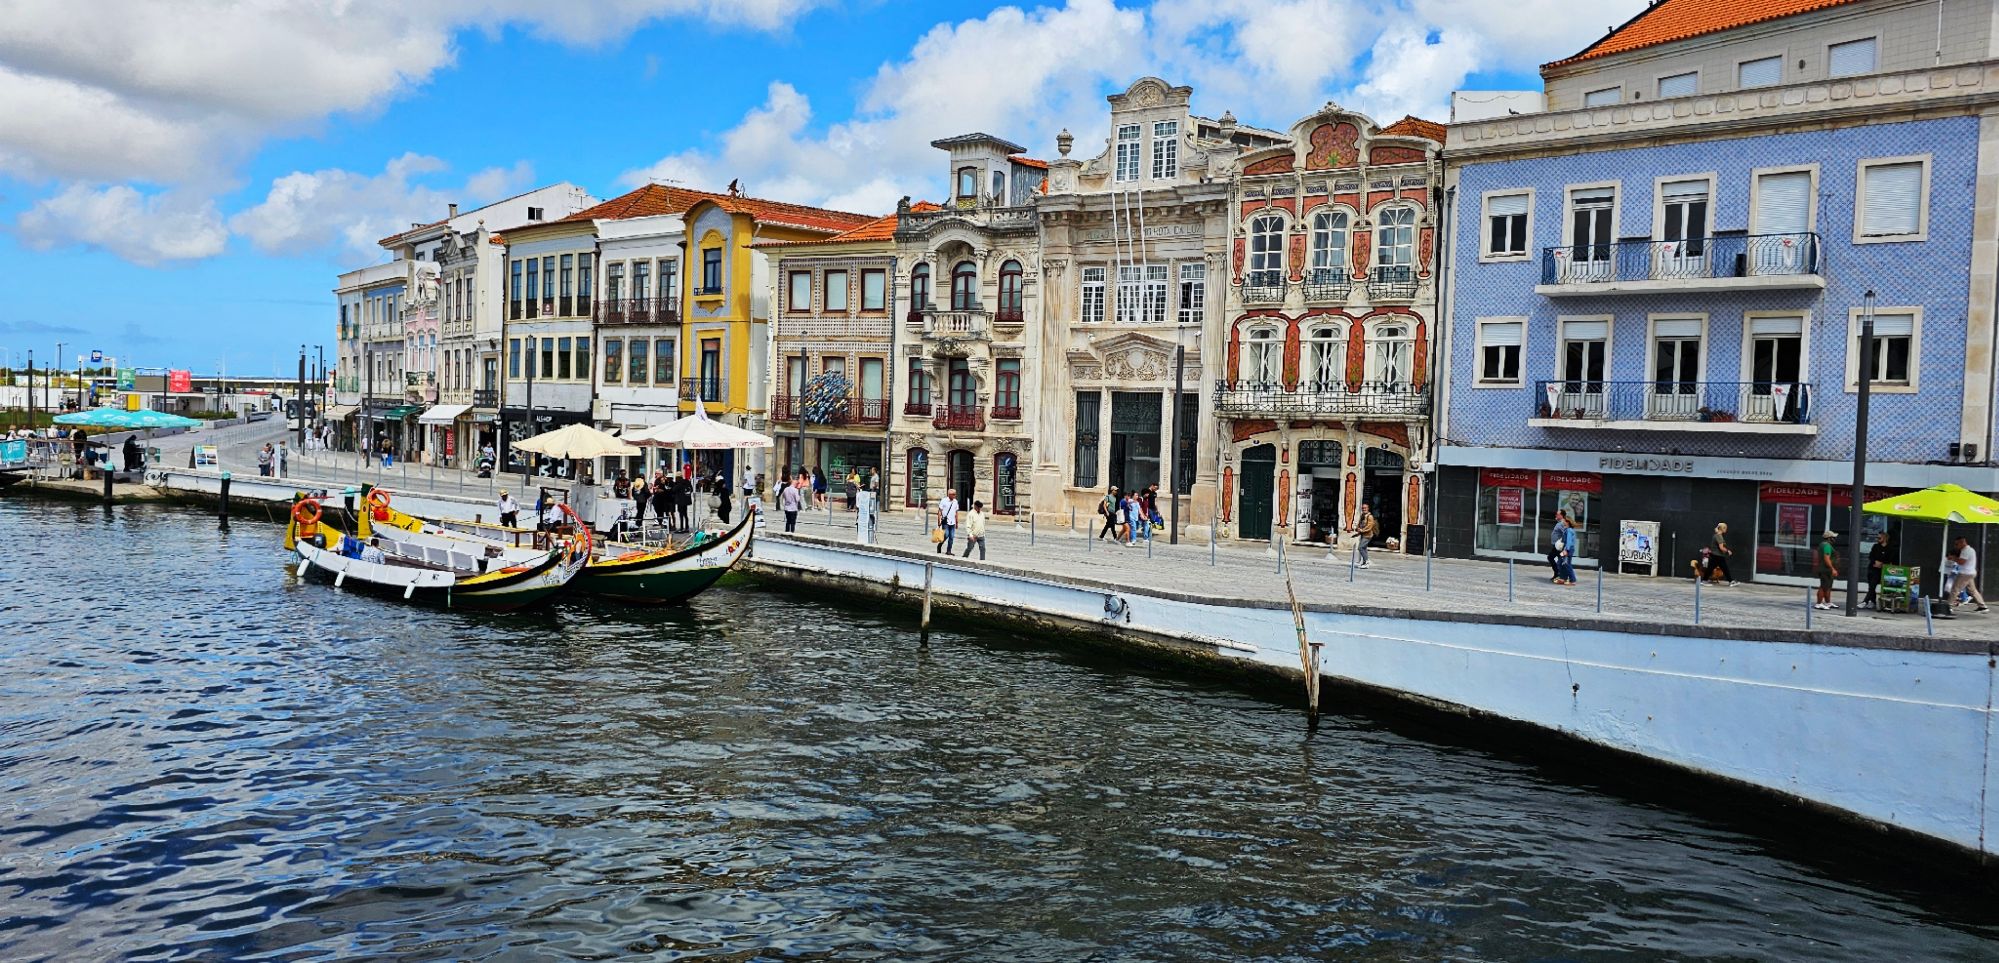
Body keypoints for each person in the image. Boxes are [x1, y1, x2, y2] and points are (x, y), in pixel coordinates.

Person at [1949, 535, 1989, 612]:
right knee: (1973, 590)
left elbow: (1961, 562)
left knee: (1955, 589)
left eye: (1957, 544)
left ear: (1962, 542)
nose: (1956, 546)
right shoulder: (1971, 550)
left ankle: (1948, 606)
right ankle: (1983, 606)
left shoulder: (1965, 551)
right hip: (1970, 573)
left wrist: (1954, 558)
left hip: (1965, 573)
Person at [1864, 530, 1898, 609]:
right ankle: (1872, 601)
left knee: (1876, 586)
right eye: (1877, 538)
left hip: (1882, 570)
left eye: (1879, 538)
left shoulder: (1890, 548)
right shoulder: (1875, 546)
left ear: (1885, 538)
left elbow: (1891, 559)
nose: (1877, 539)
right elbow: (1871, 556)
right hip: (1873, 568)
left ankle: (1865, 601)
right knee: (1871, 586)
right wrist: (1875, 561)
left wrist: (1882, 564)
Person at [1813, 529, 1840, 609]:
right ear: (1829, 538)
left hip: (1826, 569)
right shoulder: (1827, 546)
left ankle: (1828, 602)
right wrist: (1832, 569)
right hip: (1825, 569)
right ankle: (1819, 603)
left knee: (1828, 586)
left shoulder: (1823, 544)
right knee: (1823, 586)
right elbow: (1826, 558)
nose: (1834, 539)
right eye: (1833, 537)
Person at [1553, 512, 1578, 585]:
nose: (1563, 522)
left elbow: (1569, 541)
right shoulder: (1567, 530)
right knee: (1561, 563)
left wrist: (1566, 550)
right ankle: (1562, 578)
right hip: (1566, 548)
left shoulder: (1569, 530)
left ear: (1567, 522)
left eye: (1564, 521)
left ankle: (1572, 580)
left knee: (1566, 564)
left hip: (1568, 549)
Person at [936, 488, 960, 554]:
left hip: (953, 522)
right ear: (949, 494)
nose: (954, 496)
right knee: (946, 535)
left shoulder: (955, 501)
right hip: (945, 521)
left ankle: (949, 551)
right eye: (953, 494)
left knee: (951, 537)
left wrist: (957, 522)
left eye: (955, 494)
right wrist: (939, 521)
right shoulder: (944, 501)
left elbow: (956, 512)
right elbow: (939, 511)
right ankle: (939, 545)